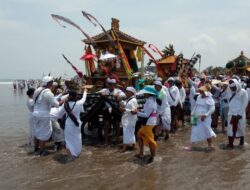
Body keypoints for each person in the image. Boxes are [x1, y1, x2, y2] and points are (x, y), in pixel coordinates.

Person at [32, 76, 61, 156]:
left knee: (37, 132)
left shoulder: (37, 90)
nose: (52, 84)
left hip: (35, 113)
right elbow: (57, 105)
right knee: (44, 134)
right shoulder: (48, 92)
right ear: (49, 83)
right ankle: (42, 152)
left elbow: (36, 101)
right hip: (43, 115)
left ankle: (36, 149)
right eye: (52, 82)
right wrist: (64, 100)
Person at [55, 88, 87, 160]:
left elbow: (59, 114)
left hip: (68, 125)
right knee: (77, 140)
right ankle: (77, 154)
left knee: (69, 141)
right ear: (76, 96)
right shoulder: (79, 103)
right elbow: (84, 98)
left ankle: (70, 156)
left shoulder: (65, 104)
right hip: (77, 125)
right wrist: (85, 92)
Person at [97, 78, 125, 145]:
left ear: (115, 85)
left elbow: (124, 95)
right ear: (108, 84)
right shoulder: (104, 90)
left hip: (116, 109)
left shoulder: (118, 91)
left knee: (117, 124)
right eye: (110, 84)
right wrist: (101, 94)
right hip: (107, 109)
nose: (111, 86)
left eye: (113, 84)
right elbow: (97, 93)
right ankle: (106, 142)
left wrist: (118, 96)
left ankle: (117, 140)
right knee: (106, 125)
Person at [189, 84, 216, 150]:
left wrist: (206, 115)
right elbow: (196, 106)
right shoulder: (199, 97)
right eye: (200, 91)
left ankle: (210, 145)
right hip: (196, 116)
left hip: (205, 118)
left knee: (207, 130)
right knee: (193, 130)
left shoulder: (210, 99)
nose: (200, 92)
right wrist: (192, 113)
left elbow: (212, 109)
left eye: (202, 91)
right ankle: (191, 146)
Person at [135, 86, 157, 163]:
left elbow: (146, 114)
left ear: (148, 93)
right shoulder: (150, 100)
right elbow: (145, 111)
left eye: (145, 93)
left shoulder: (150, 101)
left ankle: (152, 157)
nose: (144, 94)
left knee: (150, 141)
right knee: (139, 135)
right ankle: (142, 153)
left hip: (149, 122)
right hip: (150, 122)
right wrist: (140, 110)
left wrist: (136, 112)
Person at [225, 79, 248, 148]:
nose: (233, 89)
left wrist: (240, 114)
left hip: (240, 113)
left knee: (241, 127)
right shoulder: (228, 91)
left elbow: (245, 103)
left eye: (234, 87)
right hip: (231, 113)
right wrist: (232, 111)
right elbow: (229, 102)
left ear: (237, 85)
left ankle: (241, 141)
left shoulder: (243, 92)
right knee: (230, 128)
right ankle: (230, 143)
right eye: (231, 88)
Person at [119, 87, 138, 152]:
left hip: (130, 119)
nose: (126, 93)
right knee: (131, 132)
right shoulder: (130, 99)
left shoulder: (132, 100)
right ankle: (134, 146)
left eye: (127, 91)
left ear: (130, 92)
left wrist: (124, 110)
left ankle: (124, 148)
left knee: (126, 132)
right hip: (130, 118)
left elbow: (134, 112)